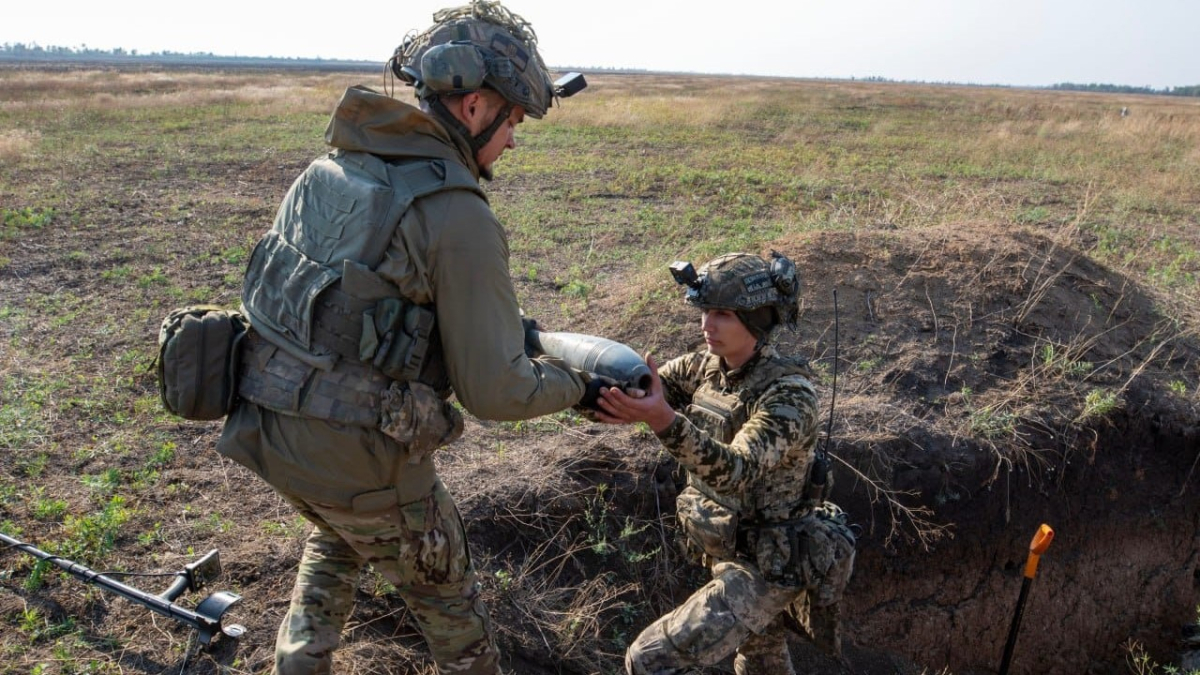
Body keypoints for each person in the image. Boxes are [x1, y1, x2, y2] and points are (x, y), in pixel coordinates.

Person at [215, 3, 603, 673]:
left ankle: (297, 662)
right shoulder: (456, 214)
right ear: (477, 108)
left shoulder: (330, 170)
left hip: (268, 434)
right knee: (457, 620)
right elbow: (497, 391)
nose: (512, 141)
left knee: (340, 533)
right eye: (513, 121)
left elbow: (355, 315)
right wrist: (581, 386)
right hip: (359, 461)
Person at [595, 251, 857, 675]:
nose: (706, 325)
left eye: (722, 314)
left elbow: (736, 471)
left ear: (758, 318)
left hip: (769, 567)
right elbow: (643, 389)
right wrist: (587, 390)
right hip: (730, 551)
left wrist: (663, 420)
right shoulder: (707, 369)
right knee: (763, 665)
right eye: (705, 311)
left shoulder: (790, 395)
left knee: (650, 659)